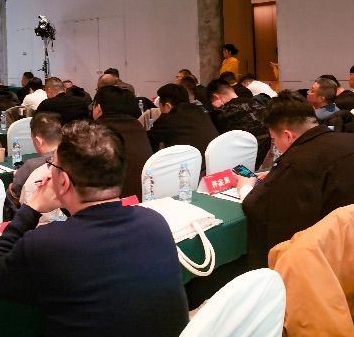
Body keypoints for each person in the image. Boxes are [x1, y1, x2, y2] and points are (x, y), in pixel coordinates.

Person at [0, 121, 188, 337]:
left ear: (64, 181)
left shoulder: (46, 244)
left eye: (53, 166)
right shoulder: (155, 222)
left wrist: (31, 208)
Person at [241, 91, 354, 269]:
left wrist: (245, 187)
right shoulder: (349, 140)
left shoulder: (296, 163)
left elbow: (257, 208)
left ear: (288, 136)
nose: (275, 144)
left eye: (274, 139)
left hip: (322, 262)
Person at [92, 83, 151, 199]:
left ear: (98, 108)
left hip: (111, 203)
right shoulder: (137, 126)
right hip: (143, 198)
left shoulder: (94, 130)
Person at [148, 82, 221, 157]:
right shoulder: (199, 111)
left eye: (160, 107)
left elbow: (148, 142)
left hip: (191, 162)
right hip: (216, 159)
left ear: (167, 106)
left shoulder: (168, 119)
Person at [206, 78, 271, 162]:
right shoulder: (257, 104)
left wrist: (215, 110)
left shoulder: (221, 113)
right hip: (269, 158)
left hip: (245, 163)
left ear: (216, 96)